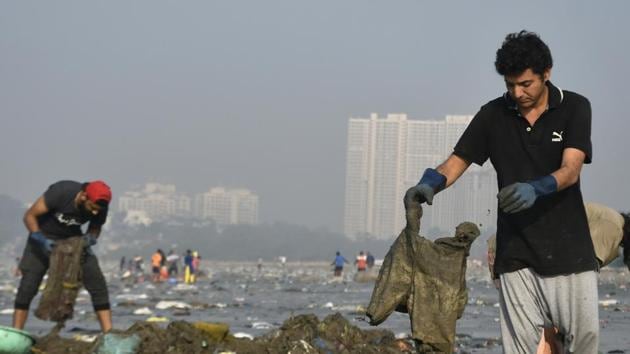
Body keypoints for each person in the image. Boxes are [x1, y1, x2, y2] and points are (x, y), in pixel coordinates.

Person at [405, 31, 598, 353]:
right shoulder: (493, 114)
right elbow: (457, 161)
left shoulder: (575, 107)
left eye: (526, 84)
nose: (517, 93)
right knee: (519, 346)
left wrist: (537, 187)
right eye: (510, 85)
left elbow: (571, 170)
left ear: (546, 73)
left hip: (569, 250)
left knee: (584, 340)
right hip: (515, 252)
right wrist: (430, 183)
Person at [13, 180, 113, 332]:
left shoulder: (101, 206)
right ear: (84, 197)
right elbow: (29, 216)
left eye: (97, 210)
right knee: (28, 287)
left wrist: (90, 239)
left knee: (97, 284)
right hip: (42, 239)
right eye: (92, 208)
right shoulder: (61, 192)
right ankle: (16, 332)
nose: (94, 212)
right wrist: (39, 238)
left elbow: (95, 228)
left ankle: (108, 334)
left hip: (73, 242)